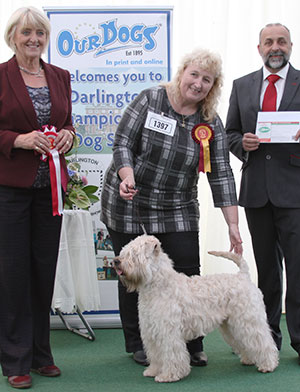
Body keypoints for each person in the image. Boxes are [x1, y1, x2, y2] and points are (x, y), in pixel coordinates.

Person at [101, 48, 243, 367]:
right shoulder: (151, 99)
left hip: (177, 203)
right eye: (194, 74)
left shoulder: (209, 122)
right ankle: (141, 343)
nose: (198, 83)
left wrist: (233, 224)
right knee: (133, 273)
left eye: (207, 80)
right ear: (182, 73)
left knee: (188, 270)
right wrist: (127, 176)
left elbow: (221, 172)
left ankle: (192, 344)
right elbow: (122, 141)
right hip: (129, 199)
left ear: (213, 86)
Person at [0, 6, 76, 389]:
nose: (34, 40)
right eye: (26, 33)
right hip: (9, 192)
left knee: (43, 270)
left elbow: (67, 123)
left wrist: (68, 136)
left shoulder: (60, 76)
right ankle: (15, 359)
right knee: (13, 274)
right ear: (13, 35)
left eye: (40, 34)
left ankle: (41, 353)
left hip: (51, 191)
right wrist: (18, 139)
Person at [226, 23, 300, 363]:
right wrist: (242, 144)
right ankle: (266, 341)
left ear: (291, 46)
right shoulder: (242, 86)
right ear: (258, 48)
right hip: (256, 193)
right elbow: (230, 134)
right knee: (267, 274)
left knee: (298, 271)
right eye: (268, 42)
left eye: (281, 41)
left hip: (295, 192)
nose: (275, 47)